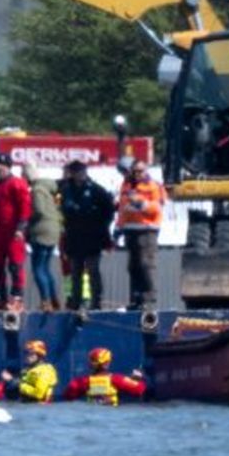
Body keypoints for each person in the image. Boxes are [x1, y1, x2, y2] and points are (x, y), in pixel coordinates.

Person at [59, 160, 115, 311]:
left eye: (81, 172)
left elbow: (109, 209)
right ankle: (76, 301)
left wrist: (101, 226)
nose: (79, 175)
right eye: (75, 172)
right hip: (74, 237)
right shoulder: (66, 189)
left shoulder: (96, 190)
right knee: (75, 271)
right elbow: (63, 209)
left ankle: (96, 301)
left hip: (92, 237)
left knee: (92, 270)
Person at [0, 154, 32, 308]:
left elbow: (25, 207)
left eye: (2, 164)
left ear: (9, 166)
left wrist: (21, 227)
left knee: (15, 265)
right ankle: (3, 298)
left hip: (13, 232)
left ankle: (17, 298)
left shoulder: (17, 184)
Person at [116, 158, 165, 310]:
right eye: (135, 171)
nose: (137, 174)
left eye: (141, 171)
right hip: (130, 230)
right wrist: (118, 227)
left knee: (146, 265)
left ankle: (149, 300)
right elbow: (122, 208)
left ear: (146, 171)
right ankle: (135, 299)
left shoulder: (153, 186)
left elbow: (157, 207)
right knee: (133, 266)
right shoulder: (126, 185)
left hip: (147, 230)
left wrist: (140, 203)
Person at [23, 163, 63, 311]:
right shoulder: (47, 188)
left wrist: (27, 219)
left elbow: (38, 210)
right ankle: (53, 299)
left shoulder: (37, 190)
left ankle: (46, 301)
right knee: (46, 268)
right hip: (53, 230)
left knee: (38, 268)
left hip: (41, 231)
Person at [62, 347, 147, 405]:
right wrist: (138, 378)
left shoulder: (82, 382)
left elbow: (69, 395)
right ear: (106, 364)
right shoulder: (117, 380)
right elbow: (139, 389)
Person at [0, 339, 58, 403]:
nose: (27, 356)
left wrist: (14, 382)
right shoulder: (27, 371)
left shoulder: (45, 371)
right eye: (26, 353)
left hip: (40, 409)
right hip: (26, 407)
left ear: (39, 355)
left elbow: (38, 393)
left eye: (31, 354)